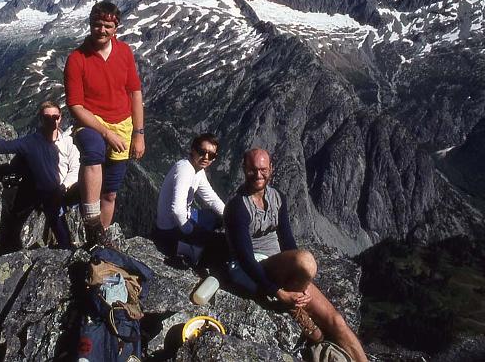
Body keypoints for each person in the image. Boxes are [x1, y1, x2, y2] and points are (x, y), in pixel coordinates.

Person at [224, 148, 367, 362]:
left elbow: (288, 241)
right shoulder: (238, 207)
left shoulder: (277, 198)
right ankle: (292, 305)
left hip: (278, 267)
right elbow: (245, 258)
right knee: (306, 261)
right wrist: (279, 293)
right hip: (251, 268)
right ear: (244, 169)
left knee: (337, 322)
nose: (258, 175)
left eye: (263, 169)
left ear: (271, 169)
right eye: (252, 170)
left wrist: (302, 280)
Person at [63, 0, 145, 246]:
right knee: (94, 151)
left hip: (123, 123)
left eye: (108, 26)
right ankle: (91, 223)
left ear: (116, 28)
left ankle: (100, 241)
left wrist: (139, 134)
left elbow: (135, 93)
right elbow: (75, 106)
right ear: (90, 24)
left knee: (110, 192)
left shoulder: (125, 52)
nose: (102, 30)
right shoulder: (77, 59)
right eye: (97, 24)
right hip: (90, 122)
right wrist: (107, 133)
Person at [0, 101, 79, 249]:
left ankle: (70, 244)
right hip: (40, 190)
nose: (52, 120)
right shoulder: (32, 142)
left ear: (60, 118)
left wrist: (64, 187)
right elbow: (7, 146)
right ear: (41, 119)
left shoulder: (68, 143)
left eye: (55, 116)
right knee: (41, 215)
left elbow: (75, 169)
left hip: (62, 190)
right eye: (47, 117)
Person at [153, 133, 225, 266]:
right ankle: (187, 254)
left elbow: (211, 198)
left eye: (211, 155)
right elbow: (177, 210)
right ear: (193, 150)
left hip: (183, 217)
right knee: (214, 242)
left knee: (215, 217)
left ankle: (192, 247)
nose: (206, 157)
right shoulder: (185, 169)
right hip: (169, 229)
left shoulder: (198, 170)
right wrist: (191, 231)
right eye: (202, 152)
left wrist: (230, 216)